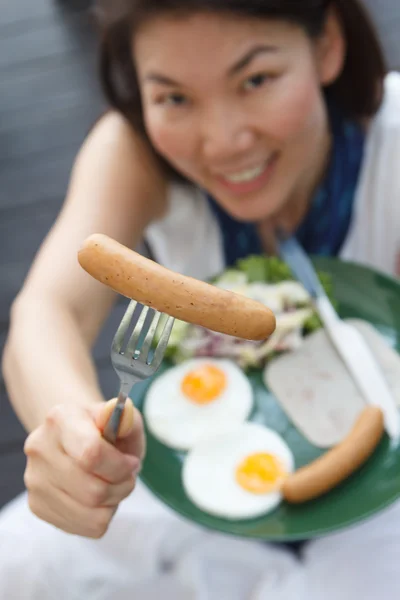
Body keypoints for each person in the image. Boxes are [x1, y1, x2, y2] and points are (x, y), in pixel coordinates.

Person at [1, 0, 400, 598]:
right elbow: (45, 313)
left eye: (256, 80)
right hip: (188, 468)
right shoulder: (135, 152)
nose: (224, 142)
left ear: (326, 47)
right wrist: (75, 439)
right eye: (174, 98)